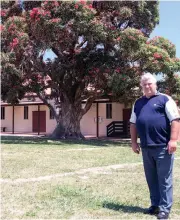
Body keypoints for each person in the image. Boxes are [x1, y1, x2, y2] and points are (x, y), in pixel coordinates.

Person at [130, 73, 180, 219]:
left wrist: (173, 140)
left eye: (150, 83)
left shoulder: (165, 99)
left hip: (163, 147)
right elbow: (133, 123)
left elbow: (175, 120)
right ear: (142, 87)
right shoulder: (138, 103)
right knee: (151, 178)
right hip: (146, 147)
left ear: (155, 84)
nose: (147, 86)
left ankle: (165, 208)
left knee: (164, 179)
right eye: (144, 84)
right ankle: (155, 204)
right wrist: (134, 142)